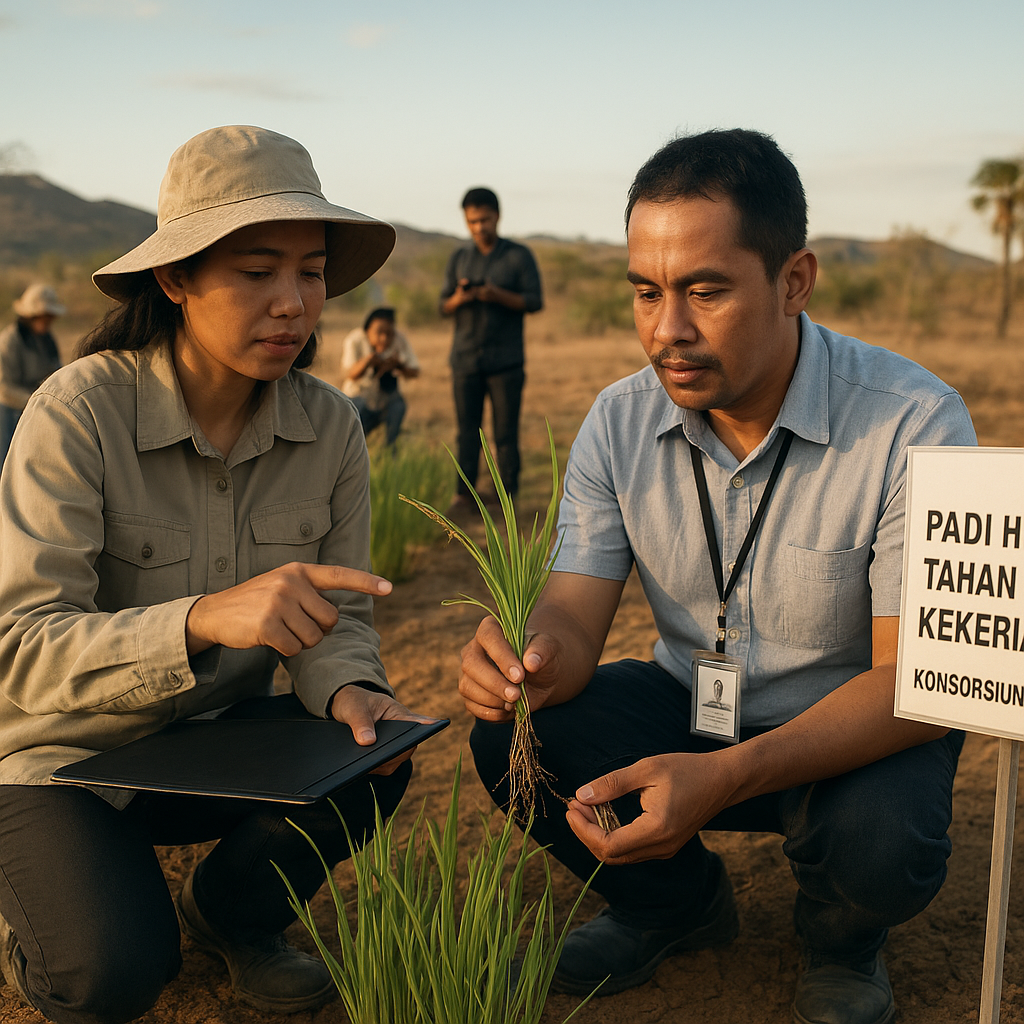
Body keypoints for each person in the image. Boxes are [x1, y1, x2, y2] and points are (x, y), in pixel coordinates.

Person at [459, 129, 977, 1024]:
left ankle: (844, 939)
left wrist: (731, 775)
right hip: (693, 706)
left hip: (851, 731)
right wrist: (532, 661)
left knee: (886, 839)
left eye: (705, 291)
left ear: (794, 280)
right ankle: (676, 906)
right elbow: (575, 620)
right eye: (647, 292)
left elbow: (918, 686)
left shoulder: (913, 423)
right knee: (517, 743)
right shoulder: (618, 422)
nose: (669, 331)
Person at [0, 125, 438, 1024]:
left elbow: (340, 620)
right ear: (176, 279)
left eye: (310, 272)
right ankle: (44, 920)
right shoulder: (79, 413)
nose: (292, 303)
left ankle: (231, 916)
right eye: (255, 271)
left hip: (210, 742)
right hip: (57, 755)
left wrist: (352, 688)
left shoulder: (332, 427)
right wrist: (201, 619)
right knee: (108, 975)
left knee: (374, 757)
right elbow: (20, 649)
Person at [439, 187, 542, 504]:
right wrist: (461, 297)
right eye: (472, 221)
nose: (479, 227)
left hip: (506, 361)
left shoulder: (517, 256)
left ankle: (507, 496)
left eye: (484, 220)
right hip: (465, 359)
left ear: (497, 216)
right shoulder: (459, 257)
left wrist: (496, 295)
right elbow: (443, 306)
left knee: (505, 434)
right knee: (466, 433)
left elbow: (535, 301)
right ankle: (464, 495)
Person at [0, 283, 64, 466]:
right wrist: (35, 401)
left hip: (39, 406)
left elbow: (56, 372)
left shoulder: (47, 339)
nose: (49, 321)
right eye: (46, 317)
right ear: (33, 316)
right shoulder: (9, 341)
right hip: (11, 409)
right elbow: (5, 389)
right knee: (8, 462)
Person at [340, 306, 420, 446]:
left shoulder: (399, 338)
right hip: (358, 396)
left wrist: (398, 366)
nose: (384, 338)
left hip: (385, 398)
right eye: (379, 332)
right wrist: (369, 361)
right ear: (367, 331)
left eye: (389, 333)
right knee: (354, 435)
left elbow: (415, 372)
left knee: (398, 406)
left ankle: (389, 450)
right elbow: (350, 374)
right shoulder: (355, 339)